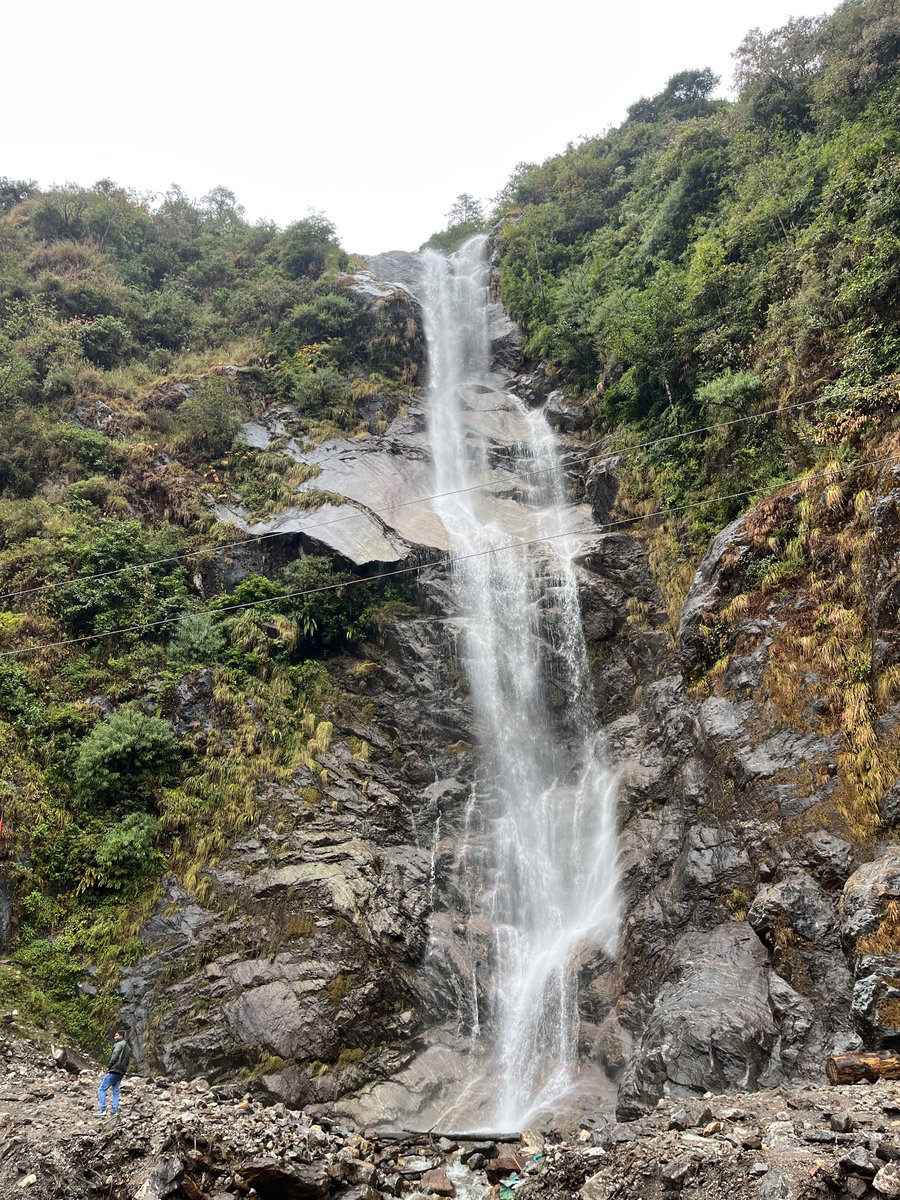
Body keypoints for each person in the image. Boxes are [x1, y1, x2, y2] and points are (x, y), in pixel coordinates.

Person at [96, 1031, 130, 1116]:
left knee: (101, 1089)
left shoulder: (119, 1044)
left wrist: (109, 1066)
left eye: (116, 1035)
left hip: (115, 1070)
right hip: (122, 1071)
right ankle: (115, 1111)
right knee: (115, 1091)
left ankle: (102, 1109)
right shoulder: (127, 1047)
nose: (114, 1037)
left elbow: (115, 1056)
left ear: (121, 1036)